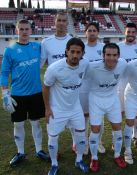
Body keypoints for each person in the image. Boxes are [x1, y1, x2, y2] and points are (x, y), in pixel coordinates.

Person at [0, 19, 49, 167]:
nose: (24, 32)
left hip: (36, 93)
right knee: (18, 125)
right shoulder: (10, 50)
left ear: (31, 30)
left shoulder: (37, 47)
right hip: (18, 95)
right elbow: (4, 73)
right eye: (21, 29)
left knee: (36, 123)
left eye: (27, 29)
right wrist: (5, 94)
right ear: (17, 31)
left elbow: (51, 50)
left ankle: (39, 150)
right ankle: (20, 152)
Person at [43, 38, 89, 175]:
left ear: (82, 53)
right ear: (66, 52)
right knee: (53, 138)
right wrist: (47, 108)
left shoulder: (85, 64)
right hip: (57, 109)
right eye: (72, 52)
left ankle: (79, 159)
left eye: (78, 52)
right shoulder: (54, 68)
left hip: (75, 108)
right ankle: (54, 164)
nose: (75, 55)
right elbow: (45, 87)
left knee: (81, 135)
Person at [87, 43, 127, 172]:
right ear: (103, 55)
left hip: (112, 99)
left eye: (114, 55)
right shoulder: (92, 67)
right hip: (96, 100)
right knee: (95, 129)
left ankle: (117, 155)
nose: (111, 58)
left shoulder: (122, 64)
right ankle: (94, 157)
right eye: (108, 55)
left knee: (117, 127)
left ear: (119, 56)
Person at [40, 12, 77, 152]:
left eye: (64, 21)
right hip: (54, 88)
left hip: (71, 87)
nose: (61, 23)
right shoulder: (46, 42)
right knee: (55, 118)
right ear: (54, 23)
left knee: (74, 117)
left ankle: (75, 143)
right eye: (59, 21)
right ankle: (55, 147)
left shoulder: (72, 40)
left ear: (67, 23)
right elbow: (40, 63)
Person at [118, 22, 137, 149]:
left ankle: (135, 136)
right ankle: (117, 139)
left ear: (136, 33)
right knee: (119, 114)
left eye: (133, 32)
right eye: (128, 32)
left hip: (136, 87)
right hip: (120, 85)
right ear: (124, 32)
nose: (131, 34)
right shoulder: (118, 47)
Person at [80, 22, 105, 155]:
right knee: (84, 117)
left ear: (98, 32)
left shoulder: (103, 47)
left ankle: (99, 141)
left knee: (99, 118)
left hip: (98, 88)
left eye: (94, 30)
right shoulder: (81, 47)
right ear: (86, 32)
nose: (92, 32)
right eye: (89, 30)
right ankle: (84, 143)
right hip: (83, 87)